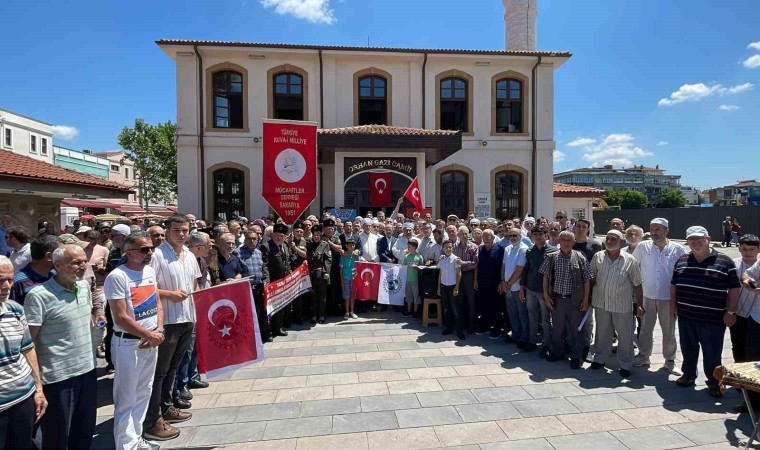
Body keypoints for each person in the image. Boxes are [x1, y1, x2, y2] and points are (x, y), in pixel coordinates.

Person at [24, 245, 101, 449]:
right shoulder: (39, 296)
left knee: (84, 430)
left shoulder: (83, 287)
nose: (83, 265)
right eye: (76, 262)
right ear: (57, 265)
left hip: (87, 370)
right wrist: (37, 383)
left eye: (84, 261)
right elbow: (28, 342)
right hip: (58, 378)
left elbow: (90, 310)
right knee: (57, 436)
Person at [104, 231, 166, 450]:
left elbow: (157, 302)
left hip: (150, 341)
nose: (149, 252)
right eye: (144, 249)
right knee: (126, 398)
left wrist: (158, 330)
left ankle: (136, 438)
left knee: (143, 393)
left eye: (151, 248)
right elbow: (120, 316)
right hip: (129, 344)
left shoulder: (149, 271)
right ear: (128, 252)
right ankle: (125, 445)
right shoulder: (117, 277)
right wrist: (148, 335)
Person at [144, 215, 199, 440]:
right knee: (160, 371)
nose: (182, 234)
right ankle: (152, 418)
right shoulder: (157, 255)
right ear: (168, 231)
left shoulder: (189, 255)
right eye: (177, 230)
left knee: (174, 367)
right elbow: (146, 287)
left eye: (185, 230)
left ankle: (167, 407)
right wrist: (170, 295)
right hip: (167, 320)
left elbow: (195, 282)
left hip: (187, 317)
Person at [671, 225, 740, 397]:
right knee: (688, 348)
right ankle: (688, 375)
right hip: (686, 316)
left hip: (713, 318)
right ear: (687, 242)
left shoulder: (725, 261)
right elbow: (673, 285)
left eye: (699, 239)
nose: (696, 242)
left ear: (708, 239)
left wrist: (731, 312)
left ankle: (715, 382)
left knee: (712, 352)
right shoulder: (682, 260)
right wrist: (673, 305)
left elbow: (734, 289)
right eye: (692, 239)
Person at [0, 255, 47, 450]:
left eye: (10, 280)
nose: (6, 286)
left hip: (23, 398)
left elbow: (27, 349)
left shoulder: (16, 309)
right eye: (0, 280)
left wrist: (38, 388)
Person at [631, 218, 686, 374]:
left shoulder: (678, 249)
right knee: (645, 329)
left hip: (668, 297)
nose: (654, 233)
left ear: (666, 231)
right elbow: (633, 267)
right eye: (652, 229)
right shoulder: (643, 246)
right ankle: (643, 356)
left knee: (668, 330)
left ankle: (670, 360)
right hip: (647, 296)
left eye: (658, 229)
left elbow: (682, 273)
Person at [589, 230, 643, 378]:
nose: (610, 241)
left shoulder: (630, 260)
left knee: (625, 336)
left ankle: (626, 364)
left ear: (621, 242)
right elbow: (592, 279)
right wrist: (587, 298)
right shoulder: (598, 257)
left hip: (622, 305)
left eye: (614, 239)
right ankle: (600, 359)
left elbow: (637, 284)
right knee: (602, 333)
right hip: (601, 303)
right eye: (608, 238)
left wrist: (639, 304)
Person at [540, 231, 593, 369]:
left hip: (575, 300)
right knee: (557, 329)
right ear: (558, 241)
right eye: (563, 239)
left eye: (569, 240)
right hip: (557, 299)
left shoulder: (580, 257)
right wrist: (546, 295)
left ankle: (576, 356)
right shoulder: (551, 257)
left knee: (576, 330)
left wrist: (586, 299)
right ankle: (557, 352)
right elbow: (545, 276)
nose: (565, 242)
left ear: (574, 242)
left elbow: (587, 279)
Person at [520, 226, 557, 357]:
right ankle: (532, 341)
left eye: (540, 234)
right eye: (535, 234)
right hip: (530, 289)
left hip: (544, 291)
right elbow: (526, 269)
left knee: (546, 319)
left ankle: (546, 344)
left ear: (546, 235)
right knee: (532, 316)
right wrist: (522, 286)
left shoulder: (553, 251)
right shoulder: (530, 251)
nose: (538, 236)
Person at [572, 218, 601, 360]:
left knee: (587, 321)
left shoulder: (595, 245)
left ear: (588, 229)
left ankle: (587, 348)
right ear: (574, 228)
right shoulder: (569, 243)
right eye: (578, 226)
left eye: (583, 226)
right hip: (570, 287)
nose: (580, 228)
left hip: (588, 287)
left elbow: (598, 267)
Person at [500, 228, 530, 348]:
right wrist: (502, 281)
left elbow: (519, 270)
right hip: (508, 288)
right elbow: (503, 266)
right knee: (512, 314)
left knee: (522, 314)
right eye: (510, 235)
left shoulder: (523, 249)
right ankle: (516, 335)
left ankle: (524, 338)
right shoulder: (507, 248)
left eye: (515, 235)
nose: (512, 237)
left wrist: (508, 283)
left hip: (517, 288)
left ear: (520, 236)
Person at [239, 231, 271, 341]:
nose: (252, 241)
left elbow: (263, 269)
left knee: (260, 314)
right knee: (248, 316)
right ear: (245, 240)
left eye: (254, 239)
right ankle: (249, 339)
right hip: (246, 290)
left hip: (259, 288)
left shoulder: (258, 252)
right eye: (249, 239)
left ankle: (260, 337)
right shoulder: (237, 252)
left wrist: (266, 280)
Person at [9, 236, 59, 305]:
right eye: (60, 254)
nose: (64, 257)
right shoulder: (17, 283)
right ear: (49, 256)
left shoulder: (55, 275)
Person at [261, 223, 291, 336]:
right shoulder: (266, 246)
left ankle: (278, 328)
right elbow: (264, 265)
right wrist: (266, 280)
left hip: (283, 282)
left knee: (281, 305)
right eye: (277, 235)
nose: (279, 238)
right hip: (272, 282)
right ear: (272, 235)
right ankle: (267, 331)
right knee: (269, 308)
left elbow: (287, 263)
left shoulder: (285, 246)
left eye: (282, 236)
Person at [477, 229, 506, 338]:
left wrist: (501, 281)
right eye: (484, 237)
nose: (486, 239)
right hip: (483, 283)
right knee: (484, 306)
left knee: (496, 307)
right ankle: (485, 327)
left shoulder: (500, 250)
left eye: (488, 237)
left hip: (495, 284)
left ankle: (497, 329)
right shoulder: (481, 249)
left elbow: (503, 267)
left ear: (493, 238)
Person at [453, 226, 478, 333]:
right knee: (459, 301)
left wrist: (464, 263)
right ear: (458, 235)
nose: (464, 236)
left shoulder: (473, 246)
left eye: (466, 233)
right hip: (457, 275)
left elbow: (476, 263)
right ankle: (461, 324)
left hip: (469, 275)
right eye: (462, 233)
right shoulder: (454, 246)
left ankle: (471, 325)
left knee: (471, 301)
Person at [438, 240, 463, 339]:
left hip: (453, 286)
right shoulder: (442, 259)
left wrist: (457, 287)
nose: (448, 249)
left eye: (450, 247)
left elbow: (459, 274)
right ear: (443, 249)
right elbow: (440, 274)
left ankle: (459, 330)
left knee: (456, 310)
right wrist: (438, 288)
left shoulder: (456, 259)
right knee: (447, 309)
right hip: (444, 286)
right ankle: (449, 327)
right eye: (446, 247)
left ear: (452, 248)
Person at [306, 225, 331, 324]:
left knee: (322, 297)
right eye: (315, 235)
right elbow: (308, 259)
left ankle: (321, 316)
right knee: (313, 296)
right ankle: (313, 316)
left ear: (320, 235)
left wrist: (326, 272)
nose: (316, 236)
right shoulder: (309, 245)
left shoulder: (325, 244)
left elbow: (328, 261)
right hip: (312, 274)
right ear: (312, 235)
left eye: (318, 235)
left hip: (322, 274)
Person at [403, 239, 424, 318]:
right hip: (407, 279)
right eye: (408, 246)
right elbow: (403, 267)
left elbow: (422, 268)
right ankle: (409, 310)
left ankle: (415, 311)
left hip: (415, 279)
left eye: (410, 246)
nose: (408, 248)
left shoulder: (419, 256)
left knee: (416, 295)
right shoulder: (406, 256)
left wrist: (417, 267)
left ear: (414, 247)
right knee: (409, 295)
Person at [340, 239, 358, 320]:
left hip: (354, 278)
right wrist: (342, 280)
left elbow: (359, 265)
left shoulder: (356, 255)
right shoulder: (343, 255)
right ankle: (347, 312)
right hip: (346, 278)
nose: (352, 247)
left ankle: (352, 311)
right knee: (347, 296)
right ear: (346, 246)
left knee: (353, 296)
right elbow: (341, 269)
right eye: (350, 245)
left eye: (353, 245)